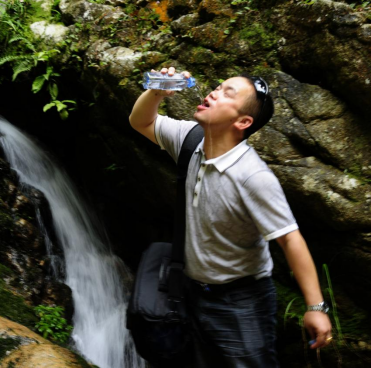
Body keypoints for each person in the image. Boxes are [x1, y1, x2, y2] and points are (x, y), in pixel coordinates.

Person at [129, 67, 332, 367]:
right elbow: (140, 121)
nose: (214, 92)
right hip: (191, 290)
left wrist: (316, 306)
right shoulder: (190, 140)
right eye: (217, 86)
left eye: (228, 93)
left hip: (242, 301)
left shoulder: (252, 176)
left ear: (243, 122)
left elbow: (290, 239)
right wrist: (157, 91)